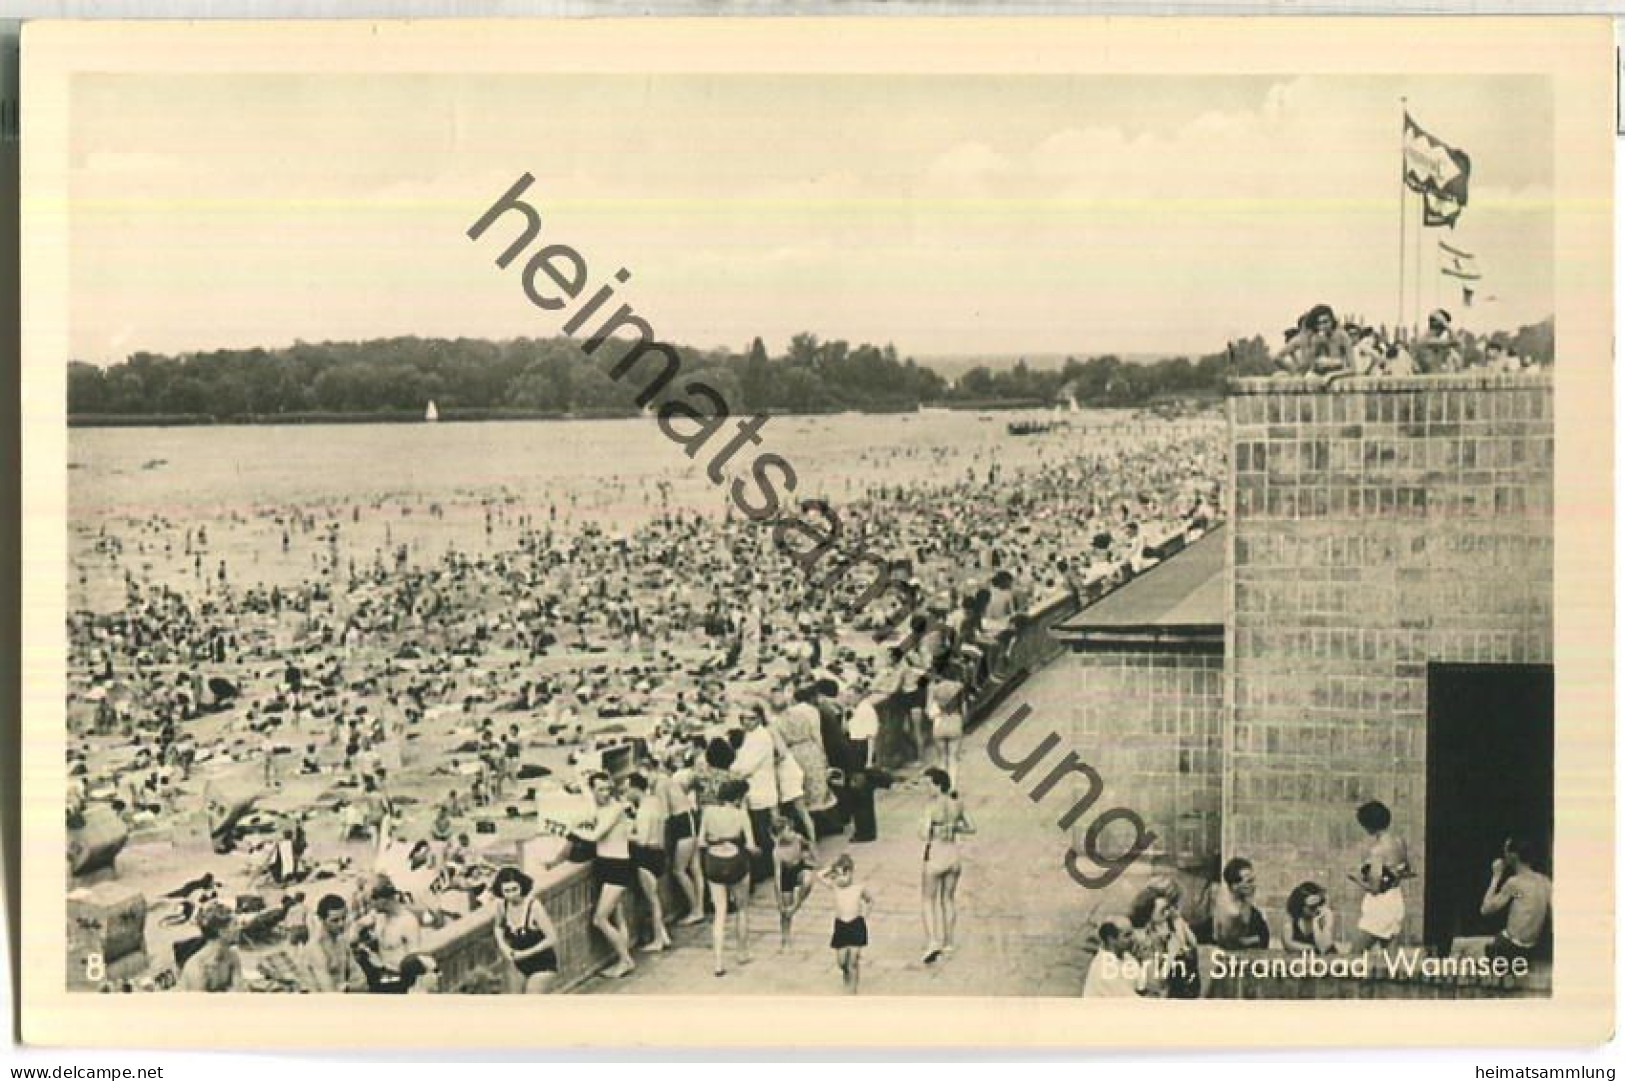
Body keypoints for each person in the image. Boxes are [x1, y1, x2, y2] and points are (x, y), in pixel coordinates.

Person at [698, 777, 757, 977]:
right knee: (742, 909)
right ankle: (742, 952)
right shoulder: (741, 815)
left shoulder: (708, 812)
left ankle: (718, 962)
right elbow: (750, 845)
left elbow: (701, 842)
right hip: (736, 860)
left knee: (720, 912)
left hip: (714, 861)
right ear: (739, 797)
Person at [583, 771, 637, 979]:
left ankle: (625, 960)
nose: (605, 793)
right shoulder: (602, 809)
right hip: (606, 863)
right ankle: (623, 958)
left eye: (607, 789)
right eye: (600, 790)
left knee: (600, 918)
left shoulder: (615, 810)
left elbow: (595, 835)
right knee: (618, 915)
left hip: (616, 865)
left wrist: (570, 831)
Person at [918, 766, 973, 964]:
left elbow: (923, 833)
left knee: (927, 900)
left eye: (929, 784)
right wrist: (953, 827)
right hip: (954, 856)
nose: (927, 789)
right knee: (948, 899)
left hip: (936, 855)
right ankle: (949, 942)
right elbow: (972, 827)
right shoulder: (957, 804)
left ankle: (933, 941)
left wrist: (933, 829)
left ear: (938, 785)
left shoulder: (930, 807)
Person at [729, 704, 781, 888]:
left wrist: (733, 772)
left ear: (759, 718)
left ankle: (768, 869)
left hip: (761, 789)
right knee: (758, 831)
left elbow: (748, 766)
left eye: (751, 718)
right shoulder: (750, 736)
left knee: (762, 831)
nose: (747, 722)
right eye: (744, 718)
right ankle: (766, 868)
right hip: (753, 789)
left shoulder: (762, 738)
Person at [1350, 800, 1411, 951]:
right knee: (1390, 956)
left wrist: (1356, 878)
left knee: (1355, 953)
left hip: (1380, 905)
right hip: (1396, 900)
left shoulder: (1378, 850)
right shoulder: (1399, 842)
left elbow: (1375, 888)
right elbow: (1405, 869)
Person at [1480, 836, 1552, 962]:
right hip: (1531, 948)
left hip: (1510, 948)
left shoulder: (1514, 883)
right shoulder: (1545, 882)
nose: (1504, 854)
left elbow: (1485, 909)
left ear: (1513, 855)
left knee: (1463, 947)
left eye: (1506, 850)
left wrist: (1496, 876)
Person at [489, 866, 560, 994]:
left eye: (515, 889)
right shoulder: (502, 905)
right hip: (518, 964)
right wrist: (504, 947)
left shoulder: (534, 906)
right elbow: (498, 926)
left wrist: (525, 953)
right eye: (507, 891)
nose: (512, 895)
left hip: (542, 964)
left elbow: (552, 938)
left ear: (522, 886)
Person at [625, 772, 673, 953]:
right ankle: (664, 934)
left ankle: (658, 939)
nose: (625, 792)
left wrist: (623, 834)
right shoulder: (654, 803)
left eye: (626, 788)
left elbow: (642, 840)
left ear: (634, 788)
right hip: (659, 853)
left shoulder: (644, 811)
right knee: (655, 897)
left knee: (652, 900)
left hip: (646, 856)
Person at [816, 853, 874, 994]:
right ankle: (846, 974)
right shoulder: (835, 887)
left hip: (856, 924)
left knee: (853, 960)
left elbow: (870, 900)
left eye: (844, 875)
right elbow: (819, 876)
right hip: (841, 925)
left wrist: (865, 915)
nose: (840, 879)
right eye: (837, 876)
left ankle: (853, 989)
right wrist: (832, 868)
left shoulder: (858, 888)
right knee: (842, 961)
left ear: (851, 873)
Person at [354, 879, 423, 992]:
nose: (369, 906)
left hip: (400, 980)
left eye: (370, 901)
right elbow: (355, 928)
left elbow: (413, 962)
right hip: (380, 974)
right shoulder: (378, 916)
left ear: (382, 900)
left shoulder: (408, 922)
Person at [301, 893, 365, 992]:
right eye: (335, 921)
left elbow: (362, 980)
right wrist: (348, 988)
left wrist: (347, 988)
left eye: (344, 918)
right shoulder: (316, 948)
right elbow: (328, 992)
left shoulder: (342, 941)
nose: (341, 924)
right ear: (321, 920)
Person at [771, 813, 816, 950]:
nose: (792, 833)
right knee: (785, 911)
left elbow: (811, 850)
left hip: (799, 869)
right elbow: (777, 877)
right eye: (787, 831)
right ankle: (785, 939)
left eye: (791, 830)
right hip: (785, 875)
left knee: (808, 879)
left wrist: (808, 855)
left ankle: (796, 905)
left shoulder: (798, 838)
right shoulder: (777, 852)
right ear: (779, 836)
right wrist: (779, 900)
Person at [844, 688, 883, 843]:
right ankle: (862, 829)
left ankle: (865, 831)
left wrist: (868, 761)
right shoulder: (856, 710)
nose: (848, 699)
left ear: (859, 695)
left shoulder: (866, 710)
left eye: (850, 696)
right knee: (858, 793)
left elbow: (870, 737)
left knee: (862, 793)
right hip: (855, 748)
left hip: (861, 750)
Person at [177, 902, 244, 992]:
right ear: (222, 932)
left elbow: (239, 992)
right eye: (235, 924)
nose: (240, 928)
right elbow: (200, 1005)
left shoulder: (232, 957)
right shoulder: (197, 967)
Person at [1211, 857, 1269, 950]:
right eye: (1249, 881)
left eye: (1253, 880)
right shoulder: (1231, 912)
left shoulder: (1250, 910)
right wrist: (1256, 939)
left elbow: (1263, 938)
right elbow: (1232, 944)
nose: (1254, 885)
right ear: (1235, 886)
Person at [925, 671, 967, 790]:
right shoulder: (959, 686)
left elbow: (928, 711)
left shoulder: (933, 688)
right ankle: (953, 786)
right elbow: (964, 709)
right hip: (955, 721)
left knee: (942, 758)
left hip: (939, 723)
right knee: (953, 758)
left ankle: (943, 786)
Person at [1081, 920, 1139, 998]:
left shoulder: (1127, 957)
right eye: (1127, 935)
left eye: (1132, 934)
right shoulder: (1104, 966)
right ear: (1111, 939)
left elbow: (1141, 985)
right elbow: (1128, 999)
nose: (1133, 939)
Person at [1284, 881, 1337, 955]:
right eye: (1312, 907)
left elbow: (1324, 948)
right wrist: (1310, 948)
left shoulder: (1322, 918)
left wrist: (1317, 924)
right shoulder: (1291, 924)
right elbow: (1288, 944)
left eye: (1319, 904)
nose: (1317, 909)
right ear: (1300, 905)